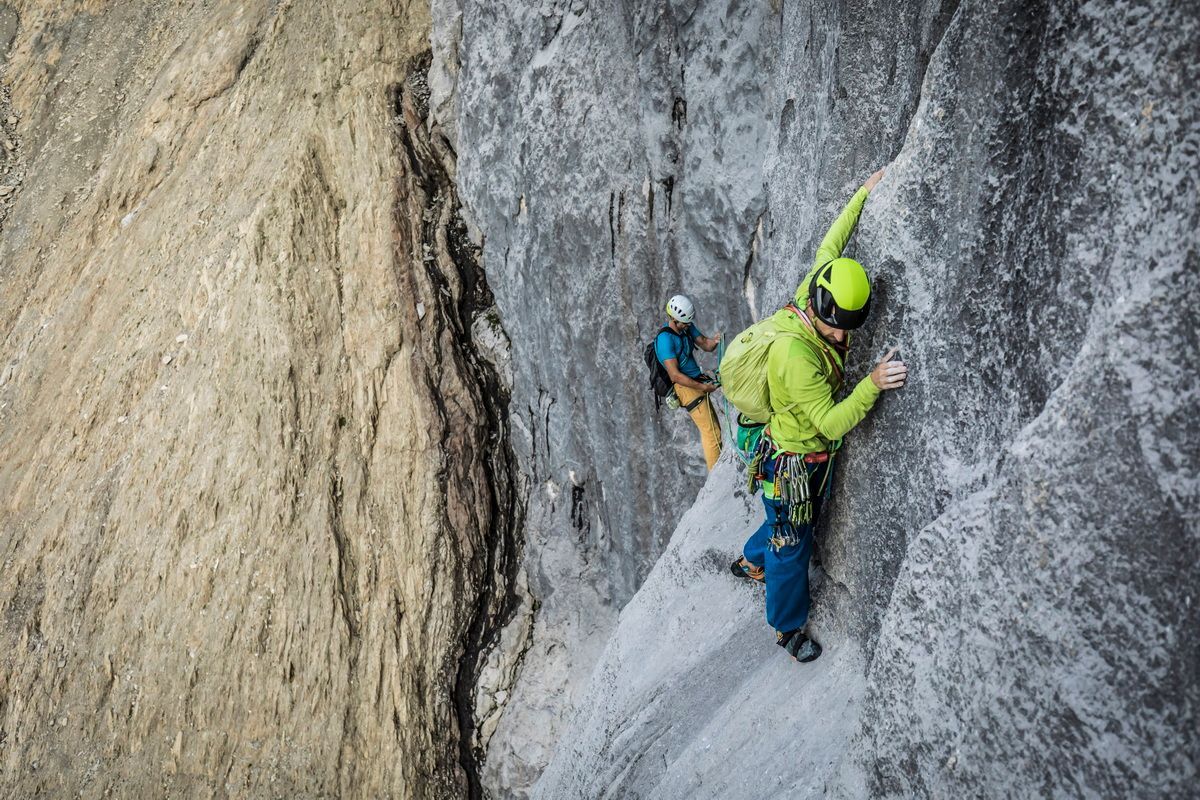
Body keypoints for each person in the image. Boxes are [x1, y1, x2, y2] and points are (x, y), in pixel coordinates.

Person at [730, 168, 908, 663]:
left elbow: (833, 241)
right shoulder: (796, 357)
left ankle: (750, 561)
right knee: (792, 543)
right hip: (794, 461)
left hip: (791, 455)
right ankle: (787, 629)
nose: (842, 339)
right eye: (837, 331)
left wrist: (864, 192)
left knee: (783, 524)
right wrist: (871, 385)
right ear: (823, 313)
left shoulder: (819, 283)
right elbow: (830, 424)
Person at [655, 294, 723, 471]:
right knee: (711, 432)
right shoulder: (664, 340)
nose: (687, 325)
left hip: (697, 381)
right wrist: (703, 387)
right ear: (674, 319)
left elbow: (705, 345)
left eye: (688, 322)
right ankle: (716, 477)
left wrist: (715, 341)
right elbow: (675, 375)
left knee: (714, 429)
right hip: (685, 388)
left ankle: (718, 469)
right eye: (684, 323)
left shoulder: (686, 328)